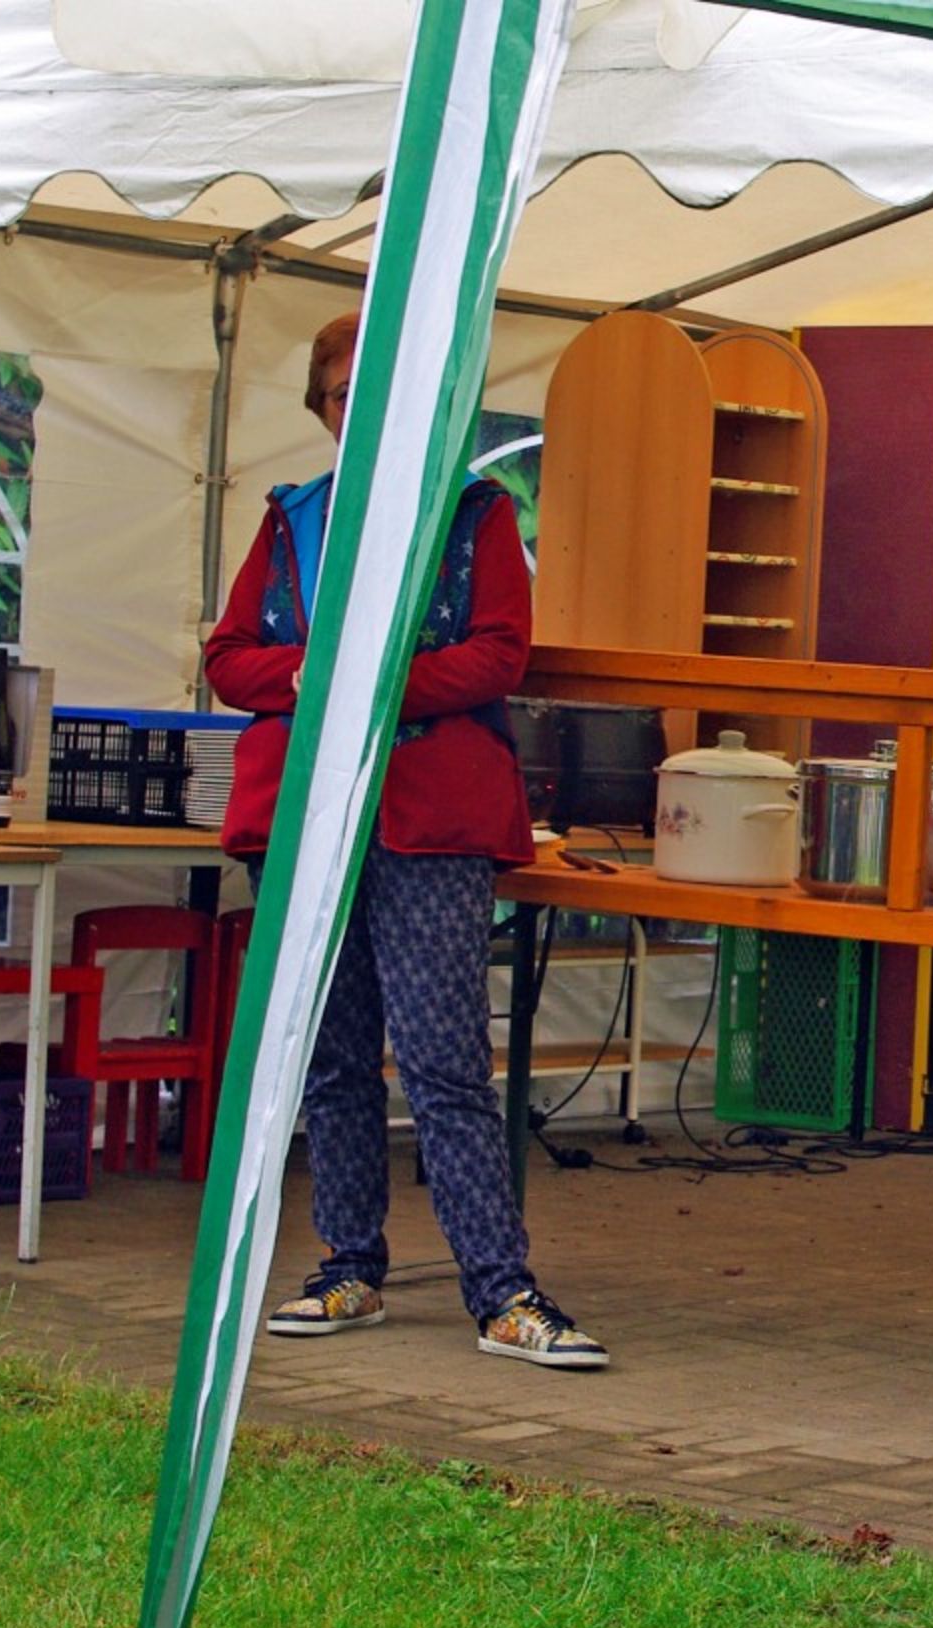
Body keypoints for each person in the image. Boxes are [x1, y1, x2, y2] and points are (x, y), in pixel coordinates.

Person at [206, 311, 607, 1370]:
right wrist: (310, 678)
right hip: (308, 818)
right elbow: (230, 657)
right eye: (348, 394)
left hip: (431, 820)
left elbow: (499, 654)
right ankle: (348, 1265)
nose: (365, 410)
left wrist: (371, 687)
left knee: (443, 1062)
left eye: (385, 389)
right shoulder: (291, 518)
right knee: (332, 1059)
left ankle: (501, 1288)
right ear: (323, 409)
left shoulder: (475, 514)